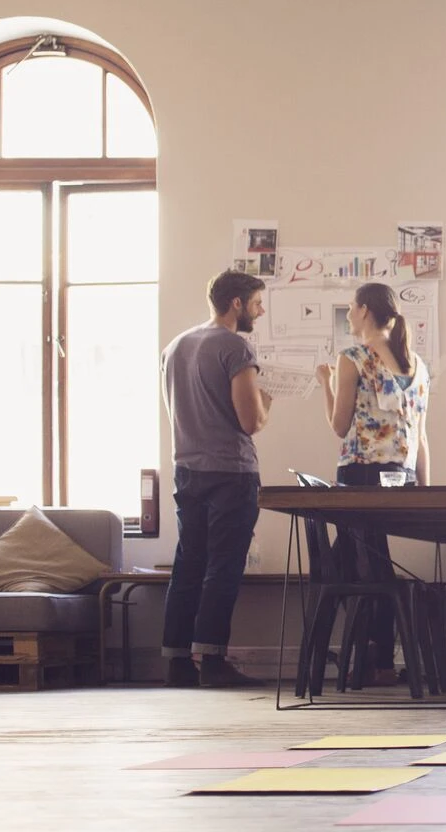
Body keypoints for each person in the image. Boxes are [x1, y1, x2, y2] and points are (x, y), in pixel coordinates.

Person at [315, 281, 432, 686]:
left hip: (361, 475)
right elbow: (422, 434)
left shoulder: (353, 359)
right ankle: (373, 656)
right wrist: (424, 489)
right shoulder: (417, 366)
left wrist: (325, 385)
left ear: (365, 310)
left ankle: (372, 658)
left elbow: (340, 426)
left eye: (350, 307)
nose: (348, 314)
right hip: (404, 476)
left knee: (354, 570)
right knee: (363, 563)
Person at [160, 270, 271, 688]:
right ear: (237, 303)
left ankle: (176, 661)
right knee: (223, 567)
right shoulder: (234, 346)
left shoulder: (176, 346)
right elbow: (250, 421)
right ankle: (212, 661)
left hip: (186, 468)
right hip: (230, 472)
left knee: (189, 564)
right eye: (257, 304)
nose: (259, 312)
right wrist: (268, 401)